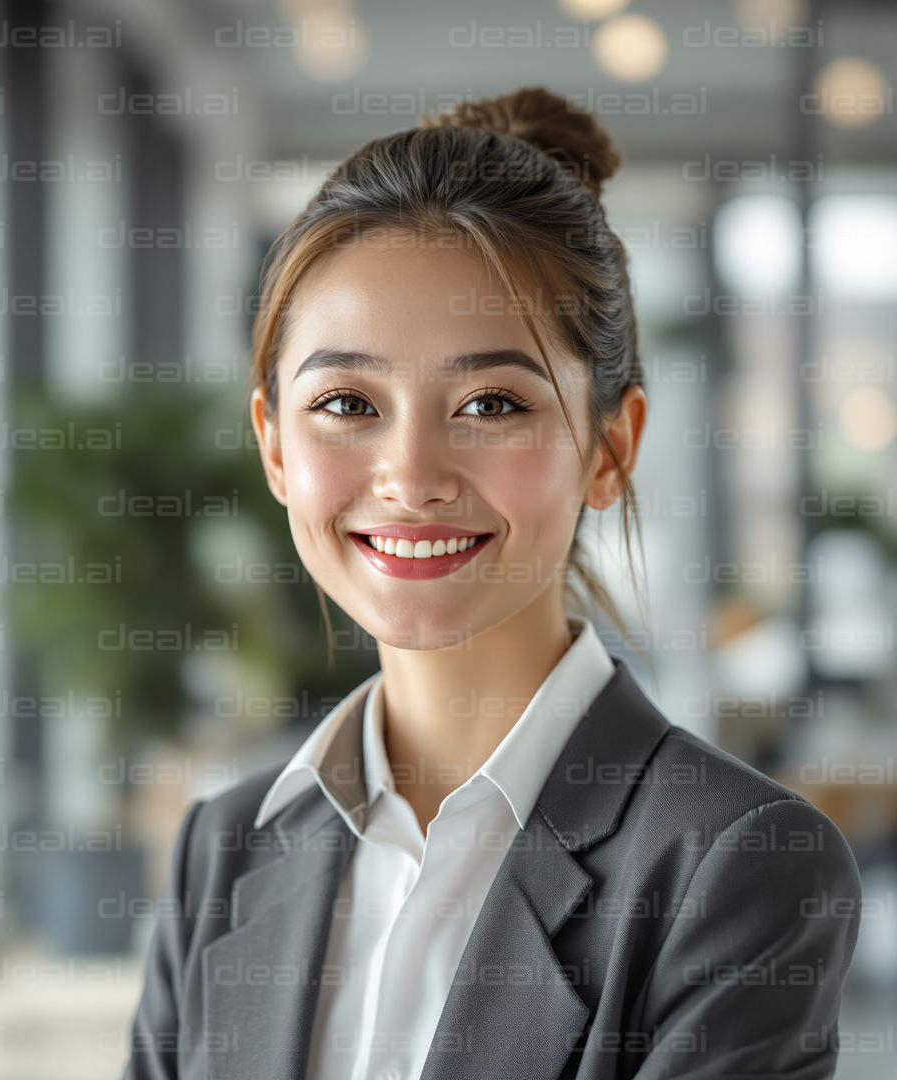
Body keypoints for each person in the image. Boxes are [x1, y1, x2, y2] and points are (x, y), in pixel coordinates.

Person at [121, 86, 862, 1080]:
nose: (413, 475)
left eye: (491, 403)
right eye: (347, 402)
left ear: (610, 446)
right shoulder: (226, 848)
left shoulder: (733, 865)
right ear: (275, 447)